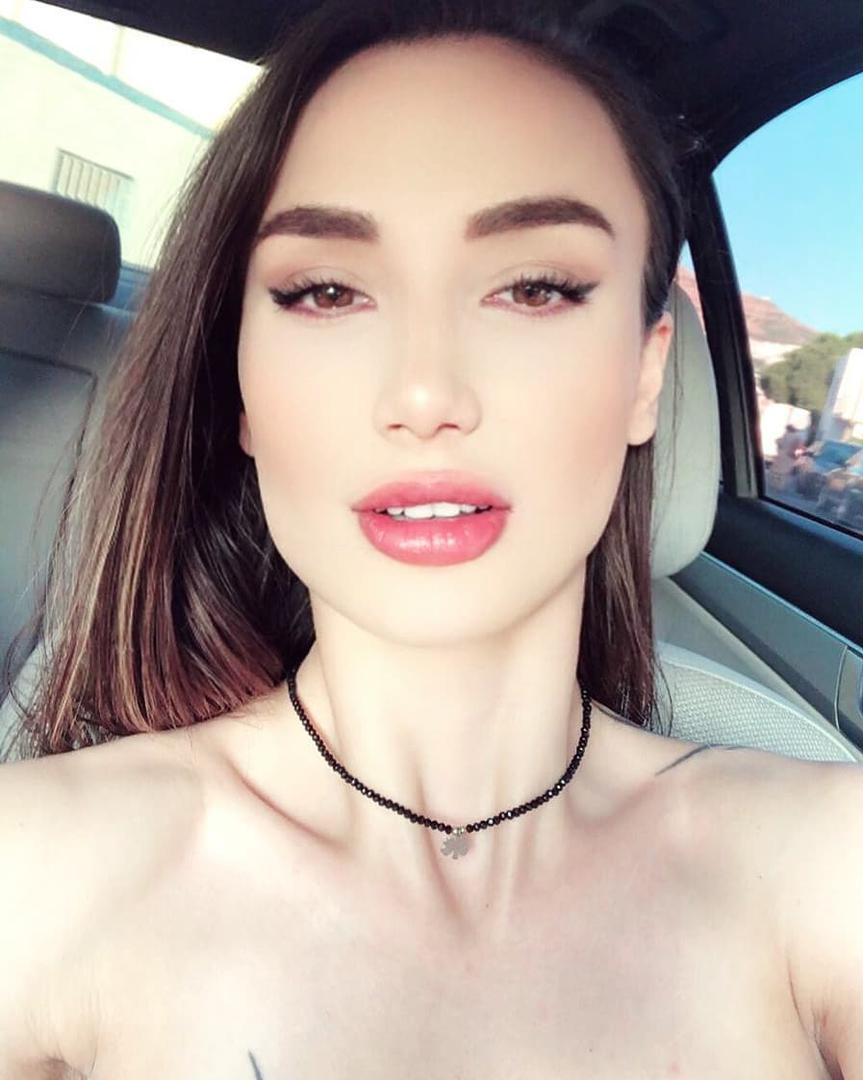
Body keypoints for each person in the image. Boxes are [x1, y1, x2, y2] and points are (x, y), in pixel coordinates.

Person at [1, 0, 861, 1076]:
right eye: (325, 291)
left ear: (645, 378)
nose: (423, 394)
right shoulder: (38, 868)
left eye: (534, 288)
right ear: (242, 386)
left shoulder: (826, 864)